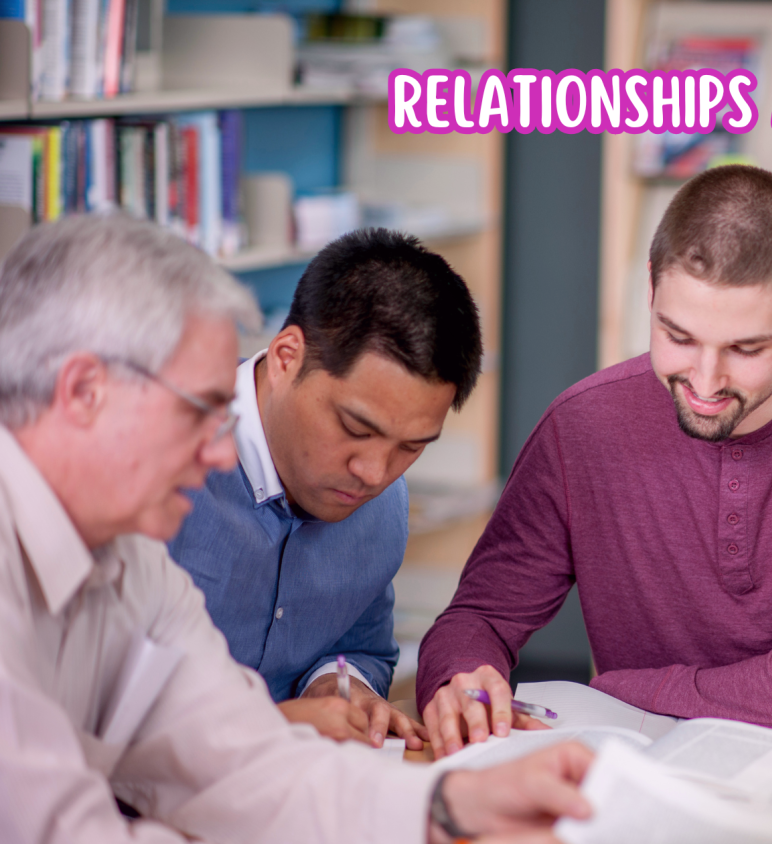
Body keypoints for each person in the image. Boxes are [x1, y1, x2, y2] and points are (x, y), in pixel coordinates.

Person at [0, 215, 592, 844]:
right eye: (200, 410)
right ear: (84, 390)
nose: (222, 454)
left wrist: (450, 806)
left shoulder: (128, 562)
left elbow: (238, 759)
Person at [417, 164, 772, 755]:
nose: (706, 381)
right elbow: (478, 617)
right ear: (650, 287)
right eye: (679, 336)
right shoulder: (584, 424)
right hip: (642, 779)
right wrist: (460, 676)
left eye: (746, 349)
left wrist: (631, 690)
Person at [166, 228, 483, 749]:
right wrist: (271, 726)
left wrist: (339, 687)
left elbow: (360, 647)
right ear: (288, 355)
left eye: (412, 446)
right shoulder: (156, 469)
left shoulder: (381, 507)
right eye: (357, 429)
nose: (375, 473)